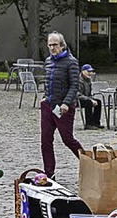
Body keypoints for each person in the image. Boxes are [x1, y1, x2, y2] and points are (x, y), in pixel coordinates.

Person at [41, 31, 83, 179]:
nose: (52, 48)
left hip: (64, 107)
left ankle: (88, 164)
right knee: (45, 140)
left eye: (55, 45)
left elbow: (74, 86)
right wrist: (45, 96)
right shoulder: (48, 61)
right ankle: (49, 173)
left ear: (62, 45)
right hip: (49, 105)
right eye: (50, 45)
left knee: (67, 139)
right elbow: (48, 82)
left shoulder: (71, 62)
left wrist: (66, 103)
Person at [77, 63, 102, 130]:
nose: (90, 73)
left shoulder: (88, 80)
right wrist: (90, 99)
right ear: (83, 71)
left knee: (98, 102)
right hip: (77, 100)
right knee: (88, 103)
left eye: (91, 71)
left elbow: (89, 93)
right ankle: (88, 124)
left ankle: (96, 122)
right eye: (88, 71)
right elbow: (78, 94)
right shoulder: (78, 81)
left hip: (86, 98)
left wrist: (92, 98)